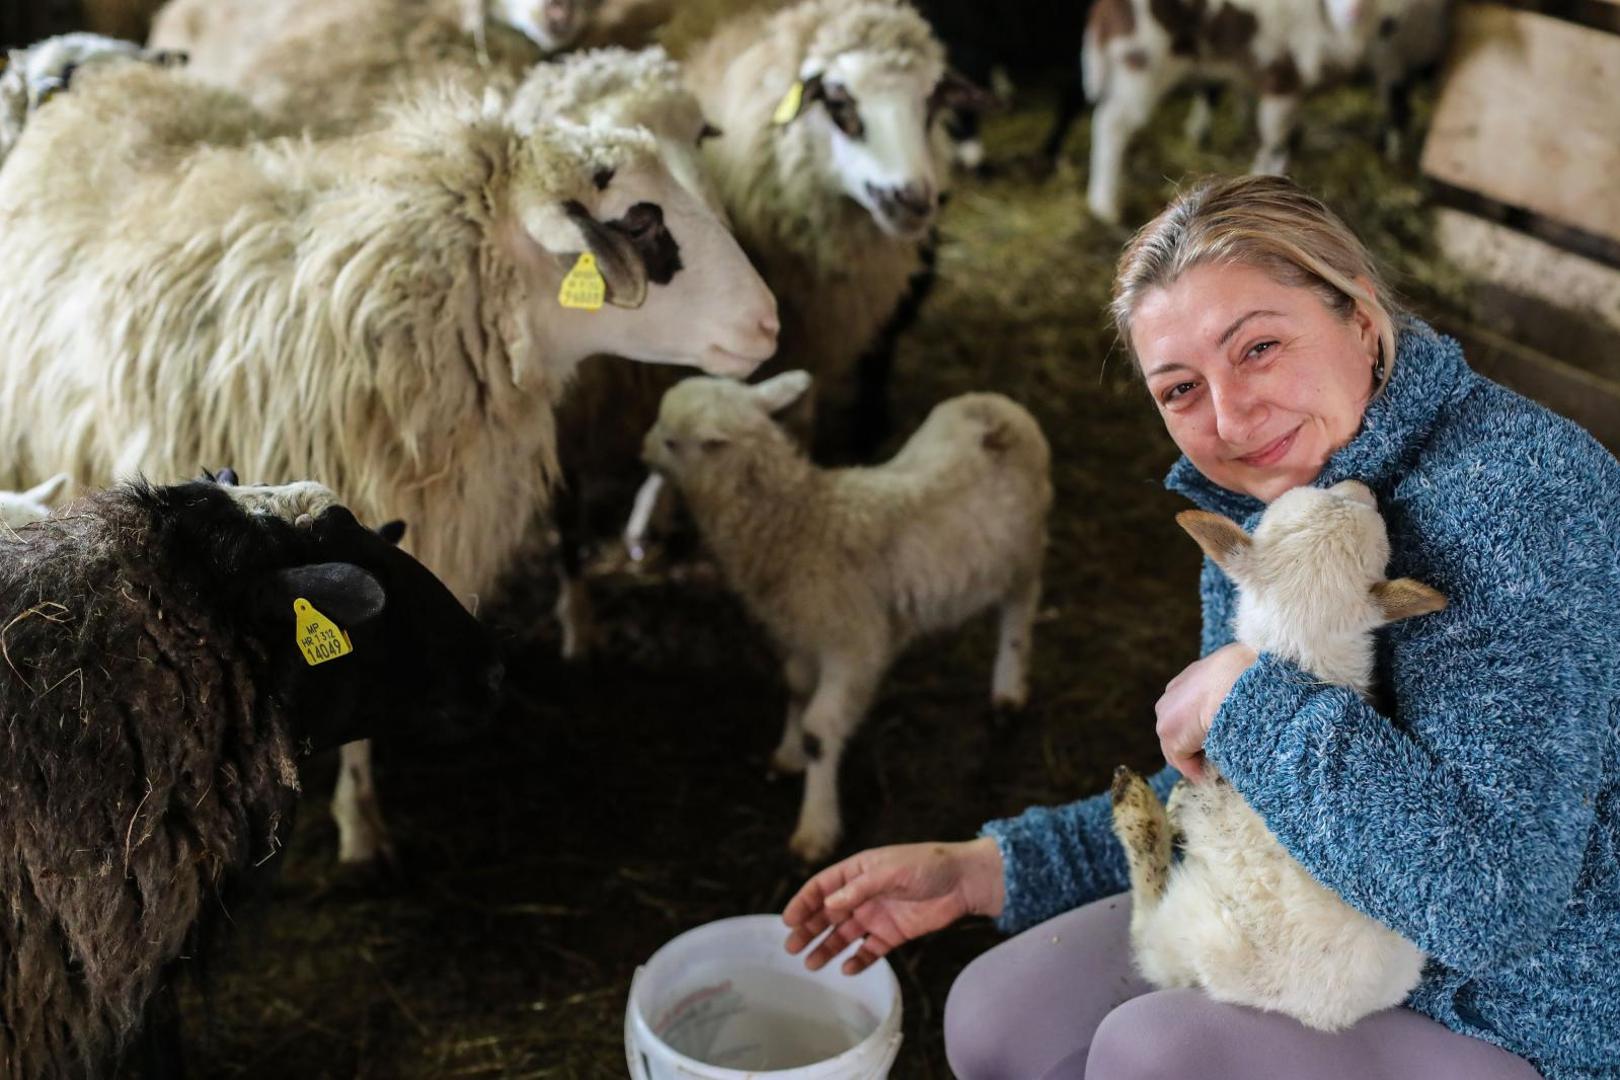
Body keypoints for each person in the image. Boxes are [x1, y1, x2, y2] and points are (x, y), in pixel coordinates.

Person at [781, 174, 1620, 1080]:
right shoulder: (1262, 496)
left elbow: (1490, 906)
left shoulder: (1521, 499)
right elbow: (1234, 789)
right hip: (1305, 913)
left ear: (1362, 320)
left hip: (1519, 1004)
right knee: (997, 1016)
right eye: (1180, 389)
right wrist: (988, 867)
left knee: (1157, 1058)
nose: (1228, 417)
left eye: (1258, 347)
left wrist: (1250, 699)